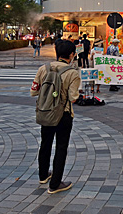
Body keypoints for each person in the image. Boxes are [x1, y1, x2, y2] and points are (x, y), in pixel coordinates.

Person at [30, 39, 80, 194]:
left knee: (45, 143)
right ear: (71, 55)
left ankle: (43, 175)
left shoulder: (43, 68)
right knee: (61, 147)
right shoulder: (72, 73)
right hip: (63, 114)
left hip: (46, 112)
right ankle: (55, 184)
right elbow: (73, 98)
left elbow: (33, 91)